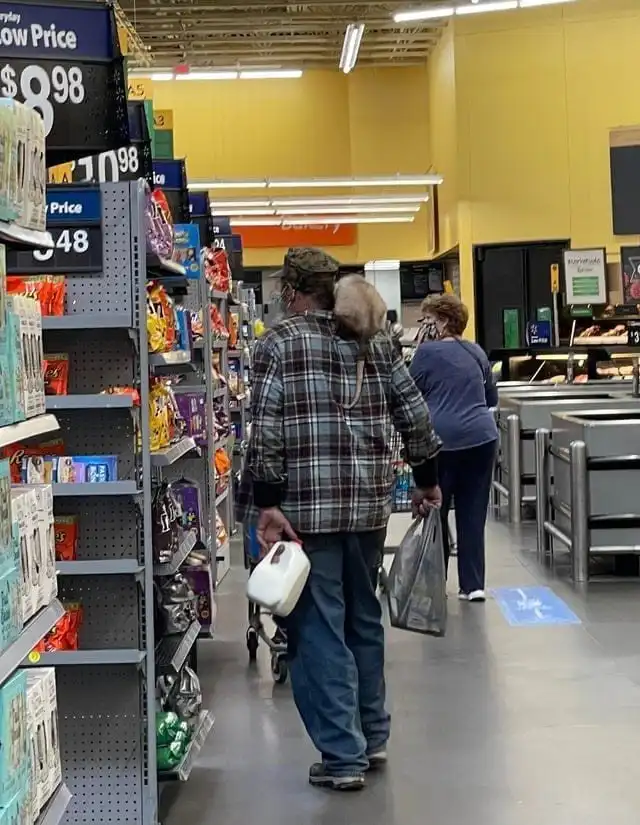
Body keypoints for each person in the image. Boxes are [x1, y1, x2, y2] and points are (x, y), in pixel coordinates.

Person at [236, 247, 441, 792]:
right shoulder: (377, 340)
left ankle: (343, 755)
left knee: (318, 627)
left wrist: (268, 501)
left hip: (305, 513)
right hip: (369, 506)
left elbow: (266, 430)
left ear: (291, 290)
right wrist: (426, 478)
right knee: (363, 617)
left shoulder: (278, 342)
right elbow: (414, 414)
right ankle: (372, 736)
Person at [409, 293, 498, 603]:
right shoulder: (476, 351)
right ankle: (473, 585)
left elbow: (408, 396)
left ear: (443, 321)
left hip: (441, 443)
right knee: (473, 513)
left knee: (437, 512)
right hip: (482, 439)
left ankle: (436, 583)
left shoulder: (425, 354)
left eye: (427, 320)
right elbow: (491, 399)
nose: (423, 326)